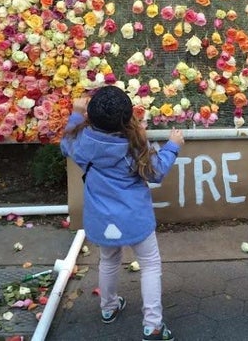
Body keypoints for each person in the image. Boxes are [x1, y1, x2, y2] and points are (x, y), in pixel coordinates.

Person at [60, 85, 184, 341]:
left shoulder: (82, 142)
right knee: (149, 265)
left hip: (102, 219)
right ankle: (153, 325)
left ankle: (108, 307)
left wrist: (75, 114)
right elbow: (156, 172)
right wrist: (172, 146)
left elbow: (65, 144)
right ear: (128, 118)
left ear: (90, 117)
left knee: (108, 260)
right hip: (134, 219)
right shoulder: (133, 146)